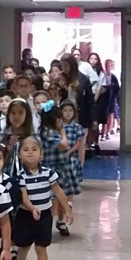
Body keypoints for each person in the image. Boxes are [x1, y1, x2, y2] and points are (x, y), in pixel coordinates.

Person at [14, 135, 72, 260]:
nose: (30, 153)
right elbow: (24, 197)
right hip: (26, 216)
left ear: (42, 154)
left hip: (44, 216)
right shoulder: (20, 176)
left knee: (41, 247)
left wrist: (67, 208)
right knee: (24, 245)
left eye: (34, 149)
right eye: (26, 150)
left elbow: (58, 192)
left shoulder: (48, 173)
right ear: (20, 154)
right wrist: (33, 209)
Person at [54, 100, 85, 236]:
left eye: (70, 111)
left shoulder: (77, 127)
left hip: (70, 158)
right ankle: (59, 217)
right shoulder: (57, 127)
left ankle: (69, 202)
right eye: (65, 110)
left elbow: (79, 143)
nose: (67, 113)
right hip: (59, 160)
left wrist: (70, 152)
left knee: (70, 183)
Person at [88, 52, 109, 147]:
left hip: (97, 99)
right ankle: (88, 142)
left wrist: (94, 99)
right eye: (91, 58)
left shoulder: (101, 74)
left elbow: (102, 88)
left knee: (95, 122)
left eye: (95, 59)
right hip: (86, 97)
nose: (93, 60)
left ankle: (95, 142)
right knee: (87, 122)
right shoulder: (85, 71)